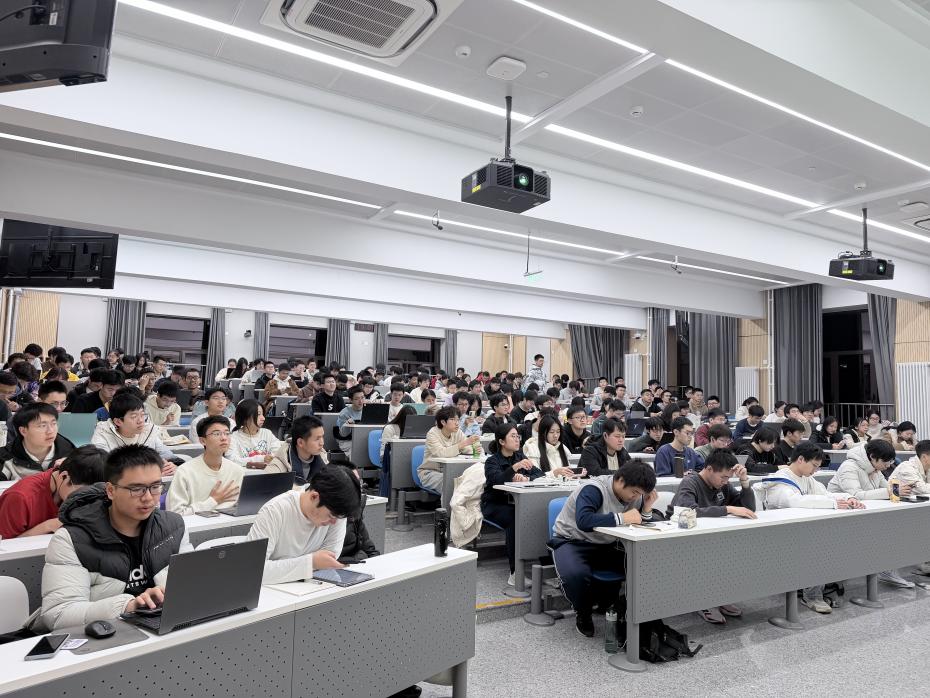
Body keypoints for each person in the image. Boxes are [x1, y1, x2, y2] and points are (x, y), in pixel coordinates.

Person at [38, 444, 191, 630]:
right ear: (111, 491)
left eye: (155, 487)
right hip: (103, 635)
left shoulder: (173, 526)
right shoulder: (71, 539)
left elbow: (189, 585)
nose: (148, 498)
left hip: (161, 629)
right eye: (137, 489)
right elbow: (58, 614)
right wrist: (128, 606)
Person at [552, 462, 660, 637]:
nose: (636, 497)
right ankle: (583, 613)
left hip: (607, 544)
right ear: (620, 480)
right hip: (572, 541)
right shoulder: (594, 489)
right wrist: (623, 517)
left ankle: (625, 608)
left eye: (640, 494)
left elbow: (639, 524)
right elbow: (584, 521)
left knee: (643, 565)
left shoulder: (637, 496)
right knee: (575, 575)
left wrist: (646, 509)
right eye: (634, 492)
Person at [754, 442, 863, 613]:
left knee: (836, 540)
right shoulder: (780, 480)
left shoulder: (807, 478)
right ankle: (812, 596)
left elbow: (825, 494)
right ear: (800, 459)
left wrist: (847, 498)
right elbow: (794, 501)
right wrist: (832, 503)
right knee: (820, 547)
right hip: (780, 535)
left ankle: (824, 585)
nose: (816, 470)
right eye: (814, 465)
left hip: (801, 531)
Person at [668, 449, 755, 624]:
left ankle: (719, 598)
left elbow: (748, 509)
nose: (725, 481)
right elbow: (689, 511)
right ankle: (703, 602)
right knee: (710, 557)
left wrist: (744, 482)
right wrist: (727, 509)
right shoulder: (690, 482)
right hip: (682, 539)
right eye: (723, 477)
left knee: (732, 554)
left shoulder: (723, 485)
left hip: (711, 537)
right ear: (709, 469)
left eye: (728, 478)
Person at [245, 465, 359, 583]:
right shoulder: (275, 511)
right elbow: (252, 569)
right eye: (331, 516)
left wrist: (311, 564)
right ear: (314, 497)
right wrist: (310, 563)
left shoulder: (336, 513)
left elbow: (328, 559)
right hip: (270, 590)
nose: (334, 522)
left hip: (309, 588)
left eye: (338, 518)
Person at [827, 440, 915, 588]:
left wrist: (898, 490)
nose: (888, 466)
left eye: (890, 462)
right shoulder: (849, 467)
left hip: (865, 513)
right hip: (840, 517)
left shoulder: (875, 469)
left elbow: (886, 487)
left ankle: (885, 570)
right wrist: (890, 491)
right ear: (873, 457)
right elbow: (856, 495)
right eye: (885, 462)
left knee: (894, 528)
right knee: (884, 533)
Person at [481, 423, 544, 585]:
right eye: (513, 436)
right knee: (514, 518)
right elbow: (496, 481)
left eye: (518, 436)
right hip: (495, 504)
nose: (517, 440)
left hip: (517, 503)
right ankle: (515, 572)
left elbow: (540, 474)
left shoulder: (520, 456)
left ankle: (546, 566)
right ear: (502, 441)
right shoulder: (492, 461)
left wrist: (526, 478)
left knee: (539, 513)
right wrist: (514, 469)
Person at [0, 445, 106, 539]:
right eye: (82, 494)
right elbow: (5, 546)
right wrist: (48, 526)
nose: (86, 502)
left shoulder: (92, 490)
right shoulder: (20, 497)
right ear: (64, 476)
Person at [167, 415, 243, 515]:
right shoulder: (184, 472)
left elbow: (242, 506)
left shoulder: (237, 470)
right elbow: (175, 514)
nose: (224, 438)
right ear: (203, 440)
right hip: (195, 525)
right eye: (217, 434)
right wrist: (213, 501)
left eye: (227, 433)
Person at [91, 392, 178, 476]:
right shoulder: (103, 432)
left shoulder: (148, 431)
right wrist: (149, 473)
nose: (141, 420)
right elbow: (102, 467)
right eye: (134, 417)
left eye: (142, 415)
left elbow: (169, 456)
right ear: (118, 421)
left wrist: (171, 466)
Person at [0, 402, 75, 481]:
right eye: (42, 426)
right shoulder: (5, 456)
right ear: (23, 431)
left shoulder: (70, 453)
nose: (50, 431)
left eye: (53, 423)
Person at [889, 440, 930, 575]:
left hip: (915, 508)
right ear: (925, 456)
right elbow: (922, 489)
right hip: (895, 511)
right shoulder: (907, 467)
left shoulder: (927, 468)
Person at [420, 406, 479, 493]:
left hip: (451, 471)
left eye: (458, 420)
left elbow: (467, 449)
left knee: (471, 480)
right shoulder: (432, 433)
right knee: (450, 482)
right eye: (452, 419)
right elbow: (441, 453)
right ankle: (450, 502)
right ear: (443, 422)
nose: (457, 423)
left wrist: (475, 449)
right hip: (430, 472)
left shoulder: (457, 432)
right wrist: (463, 444)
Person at [266, 415, 328, 481]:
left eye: (322, 437)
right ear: (300, 442)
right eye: (317, 439)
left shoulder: (322, 457)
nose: (322, 443)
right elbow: (264, 482)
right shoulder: (280, 462)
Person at [228, 398, 282, 468]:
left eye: (263, 414)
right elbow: (232, 460)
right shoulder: (233, 437)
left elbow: (278, 451)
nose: (263, 418)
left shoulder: (267, 433)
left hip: (268, 472)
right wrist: (261, 459)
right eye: (258, 414)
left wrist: (271, 457)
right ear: (245, 417)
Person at [522, 414, 578, 479]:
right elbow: (533, 477)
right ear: (543, 432)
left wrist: (575, 475)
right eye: (552, 432)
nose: (555, 435)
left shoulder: (562, 447)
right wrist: (554, 473)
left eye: (558, 432)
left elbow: (568, 472)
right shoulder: (532, 448)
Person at [335, 385, 365, 460]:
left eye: (362, 397)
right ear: (351, 400)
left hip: (363, 439)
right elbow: (343, 434)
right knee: (357, 450)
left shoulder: (369, 410)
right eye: (357, 399)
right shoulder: (345, 413)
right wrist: (346, 425)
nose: (360, 401)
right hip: (347, 440)